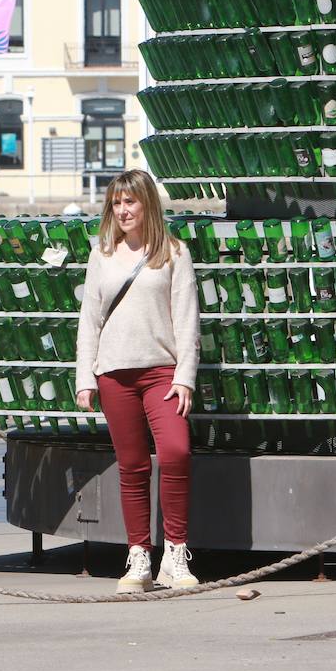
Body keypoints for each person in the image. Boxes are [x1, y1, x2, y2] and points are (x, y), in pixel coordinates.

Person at [74, 169, 200, 594]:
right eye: (116, 203)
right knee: (132, 466)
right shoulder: (102, 254)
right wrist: (84, 377)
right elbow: (89, 320)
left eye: (130, 202)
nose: (123, 210)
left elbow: (187, 320)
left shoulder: (174, 253)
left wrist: (185, 377)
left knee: (177, 452)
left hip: (161, 371)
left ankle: (176, 553)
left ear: (147, 204)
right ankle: (139, 556)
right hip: (114, 372)